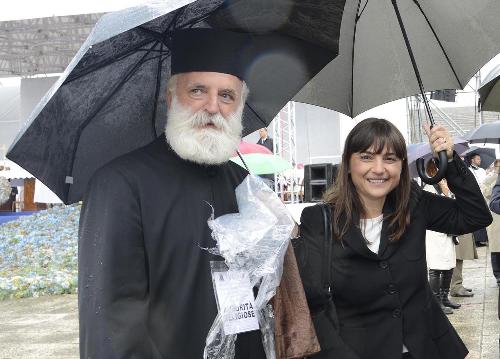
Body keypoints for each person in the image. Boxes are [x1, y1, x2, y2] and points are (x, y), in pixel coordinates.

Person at [78, 29, 268, 358]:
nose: (213, 106)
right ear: (171, 98)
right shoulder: (120, 184)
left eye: (227, 96)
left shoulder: (244, 184)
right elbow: (109, 324)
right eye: (198, 90)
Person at [295, 118, 492, 359]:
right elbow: (313, 306)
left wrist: (448, 161)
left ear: (401, 165)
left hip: (426, 348)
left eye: (389, 159)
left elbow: (475, 216)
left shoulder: (414, 204)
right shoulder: (319, 220)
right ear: (347, 164)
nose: (379, 169)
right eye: (366, 157)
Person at [423, 161, 459, 315]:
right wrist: (445, 192)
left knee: (449, 265)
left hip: (447, 233)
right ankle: (436, 302)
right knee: (436, 268)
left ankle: (444, 297)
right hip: (434, 234)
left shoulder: (444, 187)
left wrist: (446, 191)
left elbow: (454, 206)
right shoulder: (428, 189)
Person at [468, 153, 489, 247]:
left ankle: (483, 238)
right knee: (476, 217)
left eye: (480, 159)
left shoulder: (482, 170)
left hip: (484, 195)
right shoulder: (468, 170)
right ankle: (477, 240)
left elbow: (486, 181)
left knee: (484, 216)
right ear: (472, 160)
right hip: (474, 197)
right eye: (478, 159)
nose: (480, 160)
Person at [486, 161, 500, 286]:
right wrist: (493, 187)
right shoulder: (491, 179)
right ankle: (498, 275)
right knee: (496, 248)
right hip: (495, 218)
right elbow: (485, 192)